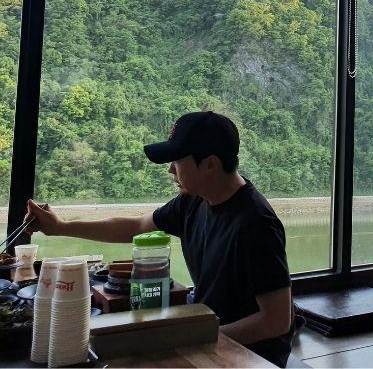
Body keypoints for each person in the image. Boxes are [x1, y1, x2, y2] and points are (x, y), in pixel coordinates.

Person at [25, 111, 294, 367]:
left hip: (251, 354)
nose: (170, 172)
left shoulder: (256, 224)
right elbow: (136, 226)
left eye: (177, 162)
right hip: (206, 328)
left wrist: (198, 338)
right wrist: (60, 227)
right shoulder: (193, 201)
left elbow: (277, 320)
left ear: (210, 164)